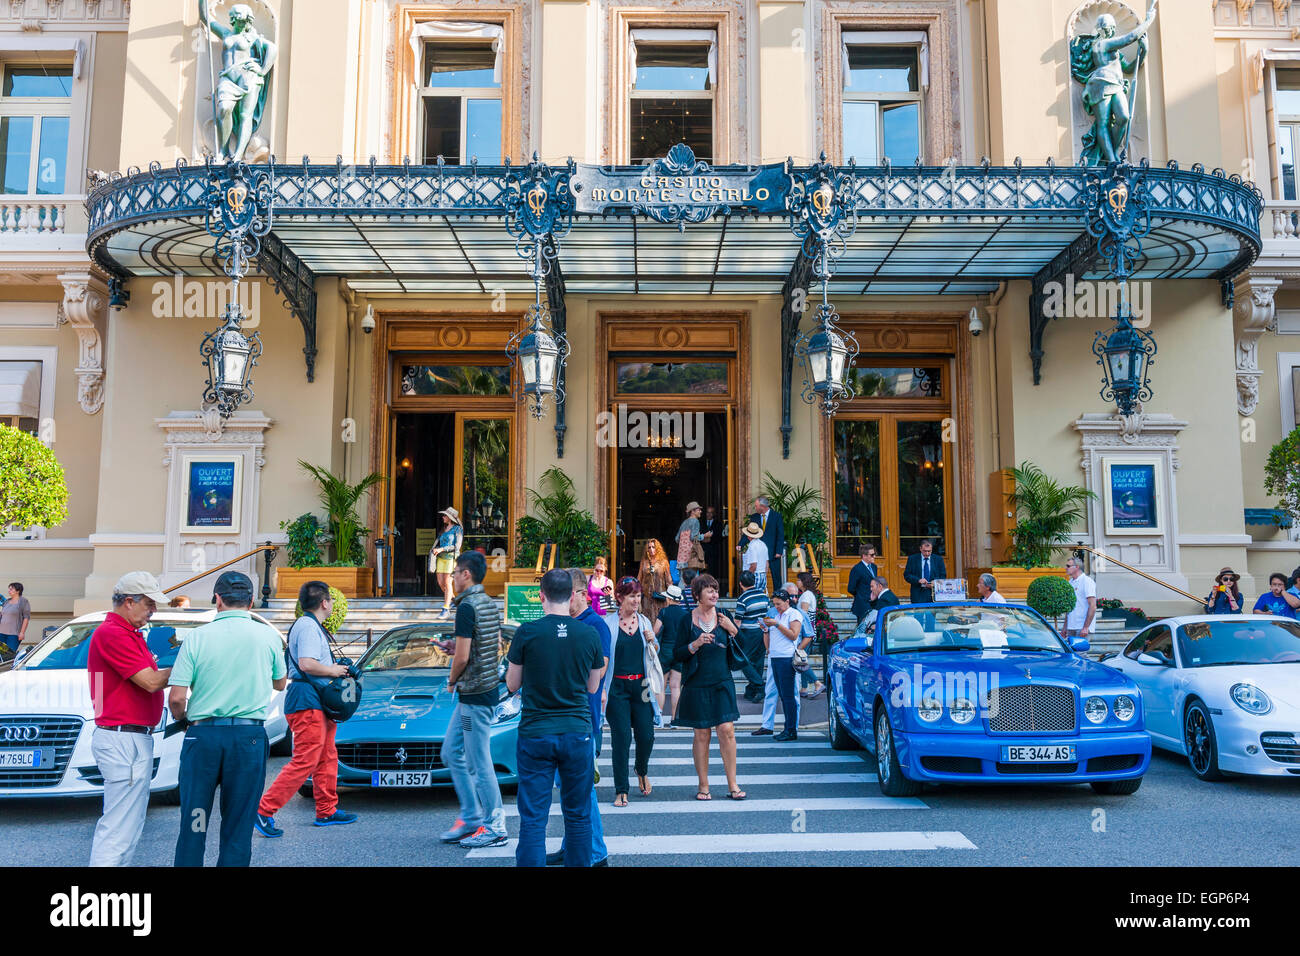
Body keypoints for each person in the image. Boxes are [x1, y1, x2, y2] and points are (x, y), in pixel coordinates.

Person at [168, 571, 289, 867]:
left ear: (217, 600)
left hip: (204, 737)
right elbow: (280, 683)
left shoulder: (196, 637)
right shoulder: (268, 637)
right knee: (238, 823)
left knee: (195, 819)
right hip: (248, 739)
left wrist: (184, 719)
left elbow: (176, 698)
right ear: (250, 602)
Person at [506, 568, 605, 867]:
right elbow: (593, 685)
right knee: (578, 815)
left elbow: (512, 684)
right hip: (576, 731)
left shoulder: (527, 632)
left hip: (536, 731)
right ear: (573, 595)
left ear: (541, 596)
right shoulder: (588, 633)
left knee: (534, 818)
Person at [255, 580, 356, 840]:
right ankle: (264, 810)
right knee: (306, 759)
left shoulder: (311, 626)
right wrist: (334, 670)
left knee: (326, 755)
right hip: (307, 700)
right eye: (331, 600)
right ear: (324, 602)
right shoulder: (308, 627)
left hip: (315, 699)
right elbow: (307, 664)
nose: (333, 604)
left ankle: (326, 810)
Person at [86, 571, 172, 866]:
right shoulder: (113, 633)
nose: (153, 611)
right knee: (119, 828)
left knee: (126, 826)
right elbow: (149, 681)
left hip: (126, 736)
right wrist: (188, 664)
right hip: (124, 738)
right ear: (129, 602)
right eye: (149, 604)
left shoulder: (122, 632)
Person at [436, 552, 507, 849]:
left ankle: (495, 825)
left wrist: (451, 681)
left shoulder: (466, 607)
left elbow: (464, 657)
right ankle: (471, 816)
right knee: (452, 753)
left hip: (474, 695)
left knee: (478, 761)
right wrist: (456, 646)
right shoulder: (488, 603)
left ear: (466, 574)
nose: (451, 578)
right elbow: (486, 645)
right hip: (483, 691)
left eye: (454, 573)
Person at [547, 568, 610, 867]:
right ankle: (571, 845)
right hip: (563, 717)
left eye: (566, 594)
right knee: (570, 790)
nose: (561, 600)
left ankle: (596, 852)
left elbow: (598, 672)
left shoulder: (595, 625)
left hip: (583, 718)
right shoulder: (565, 623)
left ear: (581, 593)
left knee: (583, 791)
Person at [673, 573, 746, 800]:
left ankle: (733, 784)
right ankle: (703, 785)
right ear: (697, 595)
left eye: (716, 590)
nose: (715, 594)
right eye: (709, 590)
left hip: (722, 680)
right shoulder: (687, 620)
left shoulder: (724, 616)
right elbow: (676, 653)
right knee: (702, 734)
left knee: (726, 730)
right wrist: (694, 645)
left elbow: (745, 646)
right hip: (696, 682)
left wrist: (733, 630)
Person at [603, 576, 659, 807]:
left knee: (647, 735)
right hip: (617, 687)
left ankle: (641, 769)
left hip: (642, 686)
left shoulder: (645, 622)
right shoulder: (607, 624)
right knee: (622, 738)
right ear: (619, 598)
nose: (636, 600)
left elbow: (654, 653)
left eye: (638, 596)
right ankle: (621, 789)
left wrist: (653, 641)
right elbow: (601, 657)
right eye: (631, 596)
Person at [761, 589, 803, 742]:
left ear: (787, 602)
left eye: (779, 604)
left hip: (786, 658)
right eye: (775, 604)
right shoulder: (778, 615)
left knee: (788, 696)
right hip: (775, 657)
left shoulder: (793, 614)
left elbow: (794, 635)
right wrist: (766, 630)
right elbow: (770, 642)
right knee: (783, 695)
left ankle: (791, 729)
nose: (776, 607)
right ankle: (788, 728)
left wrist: (776, 624)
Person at [654, 584, 690, 725]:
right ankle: (675, 719)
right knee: (675, 686)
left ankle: (659, 717)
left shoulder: (664, 612)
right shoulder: (686, 614)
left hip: (665, 652)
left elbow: (655, 630)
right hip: (679, 652)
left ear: (668, 599)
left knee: (661, 686)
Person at [733, 571, 769, 703]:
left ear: (741, 584)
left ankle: (759, 685)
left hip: (749, 633)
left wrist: (733, 634)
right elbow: (768, 613)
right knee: (758, 661)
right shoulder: (764, 596)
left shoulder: (743, 598)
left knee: (742, 660)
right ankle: (752, 691)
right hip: (763, 631)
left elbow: (738, 621)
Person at [738, 497, 784, 591]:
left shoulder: (776, 516)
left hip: (773, 552)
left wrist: (778, 551)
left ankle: (778, 597)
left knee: (776, 577)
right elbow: (749, 532)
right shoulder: (754, 517)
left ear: (762, 506)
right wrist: (740, 544)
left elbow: (780, 534)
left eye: (756, 506)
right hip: (758, 552)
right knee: (760, 572)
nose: (755, 508)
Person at [794, 574, 824, 699]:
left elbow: (803, 614)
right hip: (809, 631)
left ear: (804, 581)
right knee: (802, 659)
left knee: (800, 661)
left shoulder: (806, 595)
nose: (797, 582)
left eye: (799, 580)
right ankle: (804, 688)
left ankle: (817, 683)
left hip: (805, 632)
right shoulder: (808, 594)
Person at [430, 506, 463, 619]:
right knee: (441, 583)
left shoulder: (458, 529)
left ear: (450, 517)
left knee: (447, 582)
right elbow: (438, 542)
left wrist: (442, 549)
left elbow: (457, 546)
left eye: (445, 515)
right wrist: (436, 549)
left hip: (451, 558)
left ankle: (446, 609)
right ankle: (455, 601)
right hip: (440, 558)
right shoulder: (443, 528)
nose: (443, 517)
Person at [638, 538, 670, 626]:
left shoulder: (664, 562)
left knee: (660, 623)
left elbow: (668, 581)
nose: (651, 549)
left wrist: (669, 598)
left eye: (653, 547)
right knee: (647, 622)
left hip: (660, 597)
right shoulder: (644, 562)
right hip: (647, 598)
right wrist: (638, 596)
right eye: (649, 547)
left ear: (657, 548)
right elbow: (639, 579)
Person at [1063, 556, 1098, 638]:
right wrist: (1065, 628)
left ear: (1077, 567)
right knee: (1071, 651)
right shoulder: (1070, 582)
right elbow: (1069, 608)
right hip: (1071, 626)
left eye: (1068, 566)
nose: (1065, 568)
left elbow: (1092, 606)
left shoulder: (1087, 581)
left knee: (1080, 651)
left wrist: (1086, 627)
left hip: (1082, 627)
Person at [676, 501, 712, 580]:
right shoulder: (695, 521)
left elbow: (677, 539)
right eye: (698, 510)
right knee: (693, 581)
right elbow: (693, 538)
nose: (700, 511)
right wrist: (705, 535)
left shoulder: (684, 523)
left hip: (682, 557)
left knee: (683, 581)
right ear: (692, 511)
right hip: (691, 556)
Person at [903, 540, 945, 604]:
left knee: (933, 613)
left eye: (929, 551)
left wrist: (936, 582)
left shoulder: (938, 559)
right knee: (918, 613)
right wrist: (918, 580)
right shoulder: (912, 559)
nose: (927, 553)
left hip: (934, 593)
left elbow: (943, 575)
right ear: (920, 549)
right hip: (917, 592)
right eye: (925, 551)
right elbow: (907, 575)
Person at [846, 544, 879, 625]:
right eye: (872, 555)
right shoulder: (857, 569)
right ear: (864, 556)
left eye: (874, 554)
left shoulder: (874, 567)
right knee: (863, 629)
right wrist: (861, 595)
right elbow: (851, 588)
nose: (874, 556)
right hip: (862, 605)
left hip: (874, 604)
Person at [0, 581, 30, 654]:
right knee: (1, 655)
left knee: (9, 654)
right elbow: (3, 615)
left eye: (11, 589)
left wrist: (22, 633)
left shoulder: (23, 601)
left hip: (13, 634)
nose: (9, 591)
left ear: (18, 591)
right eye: (9, 589)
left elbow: (26, 618)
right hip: (1, 633)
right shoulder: (7, 601)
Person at [740, 522, 770, 592]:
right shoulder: (763, 544)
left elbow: (753, 565)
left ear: (748, 535)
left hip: (754, 575)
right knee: (759, 597)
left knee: (750, 596)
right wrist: (764, 575)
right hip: (762, 574)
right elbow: (767, 563)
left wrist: (747, 577)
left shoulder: (752, 546)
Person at [702, 505, 724, 582]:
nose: (709, 514)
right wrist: (703, 540)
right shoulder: (701, 522)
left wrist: (710, 539)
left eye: (711, 513)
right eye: (708, 512)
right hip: (702, 550)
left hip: (713, 550)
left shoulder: (718, 523)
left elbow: (720, 537)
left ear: (714, 514)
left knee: (712, 570)